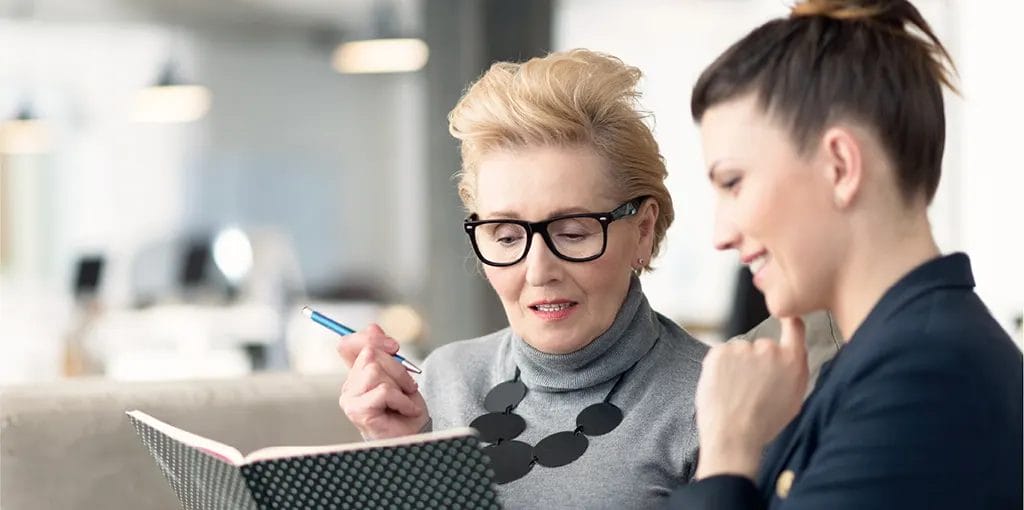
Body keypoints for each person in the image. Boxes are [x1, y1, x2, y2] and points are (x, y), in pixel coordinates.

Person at [334, 49, 836, 509]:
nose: (538, 270)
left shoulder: (723, 406)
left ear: (642, 232)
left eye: (572, 233)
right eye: (507, 238)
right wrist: (396, 452)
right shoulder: (442, 381)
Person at [668, 1, 1023, 509]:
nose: (721, 235)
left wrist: (728, 449)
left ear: (839, 166)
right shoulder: (888, 361)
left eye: (734, 182)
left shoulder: (924, 379)